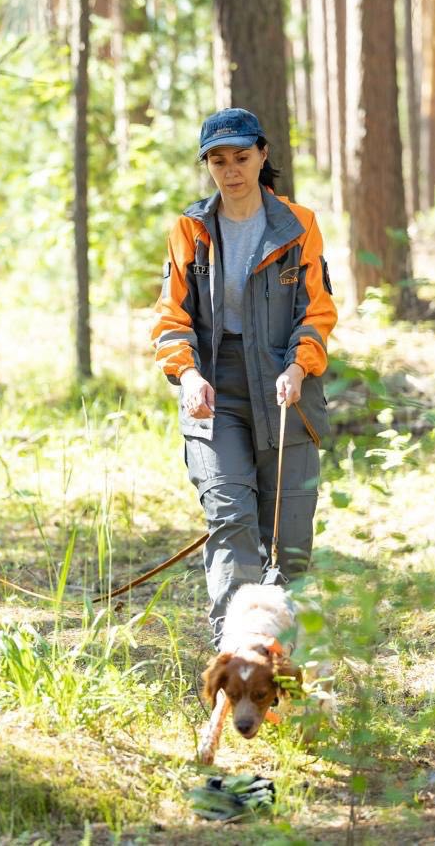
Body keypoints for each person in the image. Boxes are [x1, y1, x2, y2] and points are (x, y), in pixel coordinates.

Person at [151, 108, 337, 646]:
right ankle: (237, 651)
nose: (230, 170)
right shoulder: (190, 230)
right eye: (218, 160)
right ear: (207, 165)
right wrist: (188, 375)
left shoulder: (298, 226)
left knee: (289, 538)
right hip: (214, 389)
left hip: (286, 385)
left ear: (262, 155)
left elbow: (317, 310)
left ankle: (286, 656)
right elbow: (171, 317)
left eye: (240, 157)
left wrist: (299, 365)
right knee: (231, 515)